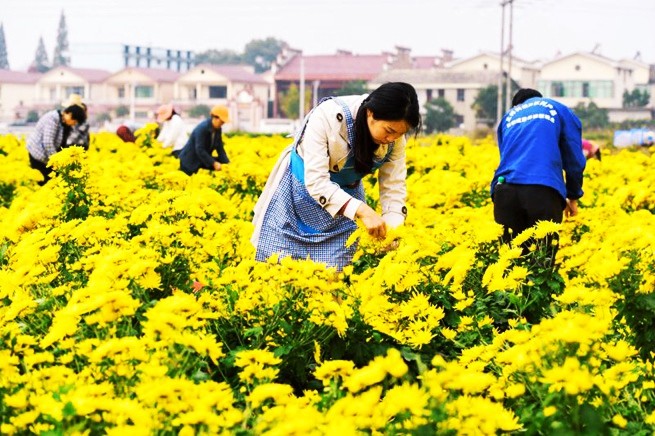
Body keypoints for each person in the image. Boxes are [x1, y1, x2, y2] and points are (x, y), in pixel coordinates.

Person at [251, 82, 421, 270]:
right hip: (296, 194)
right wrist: (363, 211)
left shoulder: (395, 139)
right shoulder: (327, 116)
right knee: (277, 266)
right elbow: (316, 183)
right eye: (389, 131)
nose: (392, 139)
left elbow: (394, 189)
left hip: (345, 200)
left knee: (336, 275)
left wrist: (392, 232)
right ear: (370, 113)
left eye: (400, 134)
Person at [490, 88, 586, 249]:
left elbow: (505, 157)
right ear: (538, 99)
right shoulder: (557, 109)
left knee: (510, 263)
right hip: (543, 190)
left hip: (504, 190)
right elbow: (574, 156)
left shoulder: (508, 117)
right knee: (542, 261)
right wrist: (573, 195)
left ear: (517, 105)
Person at [26, 104, 88, 185]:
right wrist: (57, 161)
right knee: (45, 183)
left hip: (48, 157)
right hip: (38, 154)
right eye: (75, 121)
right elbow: (48, 142)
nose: (74, 124)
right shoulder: (52, 119)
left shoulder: (63, 121)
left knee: (52, 182)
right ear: (70, 115)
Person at [178, 105, 231, 175]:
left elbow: (220, 148)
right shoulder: (202, 128)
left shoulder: (218, 129)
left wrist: (227, 164)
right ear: (215, 117)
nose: (222, 124)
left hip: (200, 159)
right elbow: (200, 149)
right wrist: (213, 163)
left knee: (221, 165)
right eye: (221, 122)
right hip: (189, 161)